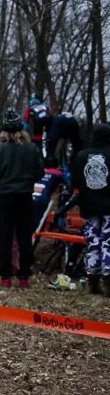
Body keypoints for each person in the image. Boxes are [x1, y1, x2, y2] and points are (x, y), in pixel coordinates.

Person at [0, 108, 45, 287]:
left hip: (3, 198)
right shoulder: (31, 149)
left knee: (4, 238)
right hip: (24, 197)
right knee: (24, 237)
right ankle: (24, 275)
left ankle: (5, 276)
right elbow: (40, 173)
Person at [71, 123, 110, 295]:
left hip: (89, 206)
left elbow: (76, 182)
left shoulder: (81, 156)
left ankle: (92, 279)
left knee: (93, 241)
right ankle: (108, 279)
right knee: (108, 242)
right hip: (109, 207)